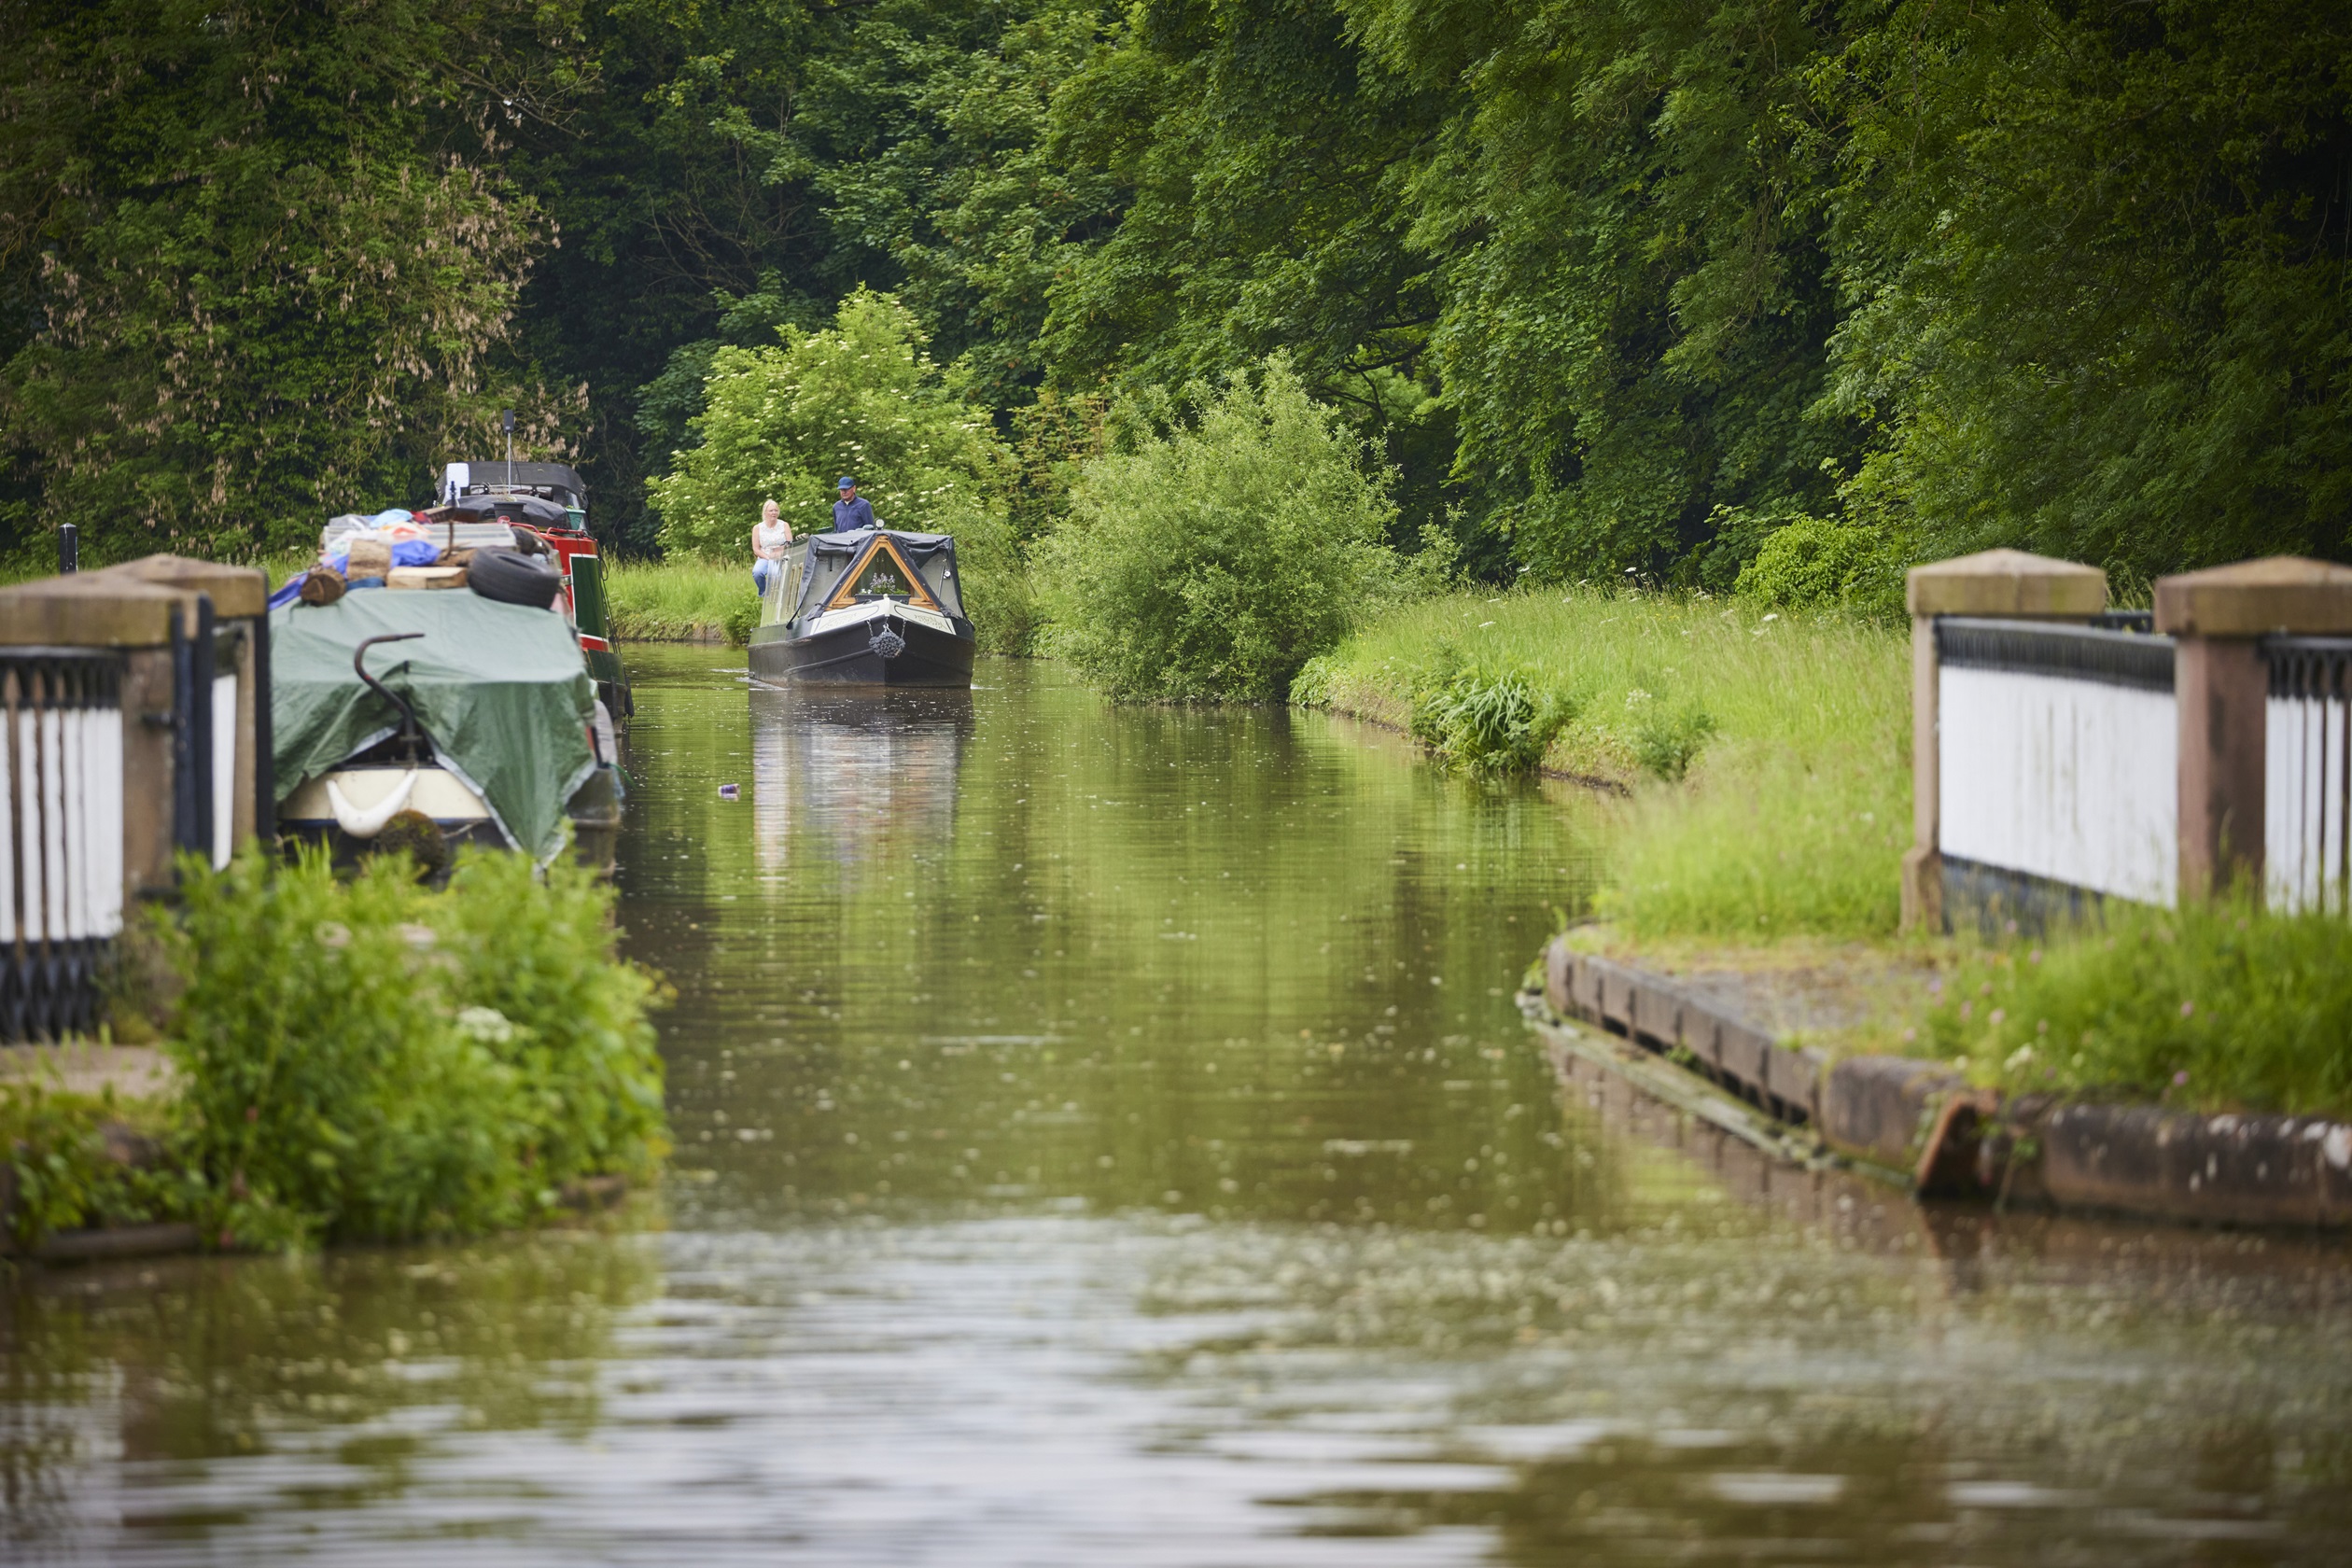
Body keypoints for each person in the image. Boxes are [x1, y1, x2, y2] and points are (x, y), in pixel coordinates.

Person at [751, 498, 793, 595]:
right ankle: (765, 594)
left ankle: (775, 596)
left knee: (775, 575)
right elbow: (756, 549)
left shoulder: (784, 525)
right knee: (757, 572)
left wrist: (780, 553)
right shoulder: (757, 528)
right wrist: (767, 557)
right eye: (771, 511)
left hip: (780, 556)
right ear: (765, 512)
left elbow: (790, 544)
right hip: (764, 556)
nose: (774, 513)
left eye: (776, 510)